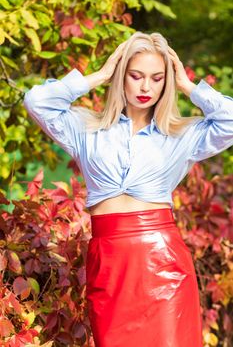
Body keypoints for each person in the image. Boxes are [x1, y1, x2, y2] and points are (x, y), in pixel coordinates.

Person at [23, 31, 233, 347]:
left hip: (163, 267)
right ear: (122, 77)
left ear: (167, 82)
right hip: (109, 264)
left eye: (157, 78)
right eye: (136, 75)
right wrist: (100, 75)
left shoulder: (180, 135)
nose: (146, 86)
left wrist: (189, 86)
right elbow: (36, 101)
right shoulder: (86, 129)